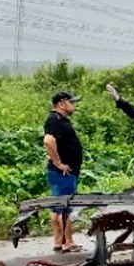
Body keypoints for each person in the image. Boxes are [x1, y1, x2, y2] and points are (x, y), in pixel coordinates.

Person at [43, 91, 84, 253]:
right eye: (71, 102)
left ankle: (58, 241)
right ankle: (68, 242)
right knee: (65, 206)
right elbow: (48, 141)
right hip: (63, 173)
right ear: (61, 104)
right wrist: (59, 163)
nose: (74, 105)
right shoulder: (55, 120)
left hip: (61, 172)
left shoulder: (58, 120)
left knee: (57, 207)